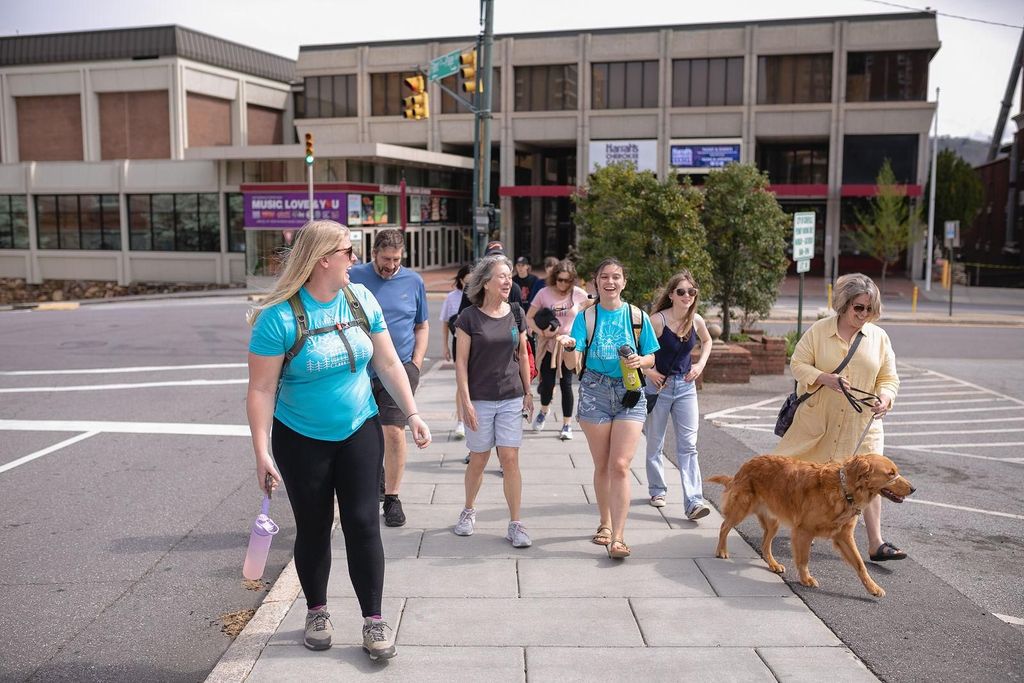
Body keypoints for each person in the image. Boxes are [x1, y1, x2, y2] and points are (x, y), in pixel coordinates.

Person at [245, 220, 431, 661]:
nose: (357, 259)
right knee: (313, 528)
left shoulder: (360, 299)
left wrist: (413, 413)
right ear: (323, 259)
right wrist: (261, 451)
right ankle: (317, 610)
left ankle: (373, 620)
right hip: (301, 438)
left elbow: (388, 363)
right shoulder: (278, 317)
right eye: (350, 251)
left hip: (359, 430)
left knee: (364, 523)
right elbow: (261, 390)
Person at [773, 272, 902, 562]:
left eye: (870, 309)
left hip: (862, 425)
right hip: (820, 421)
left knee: (871, 479)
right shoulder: (820, 331)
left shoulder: (878, 337)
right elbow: (798, 364)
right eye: (859, 307)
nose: (864, 314)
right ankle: (801, 521)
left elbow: (889, 377)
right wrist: (823, 378)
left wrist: (886, 398)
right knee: (795, 472)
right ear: (844, 305)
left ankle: (875, 543)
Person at [556, 258, 659, 559]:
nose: (610, 282)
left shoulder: (637, 316)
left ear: (624, 282)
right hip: (595, 391)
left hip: (629, 391)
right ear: (596, 282)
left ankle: (619, 537)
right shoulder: (586, 317)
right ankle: (605, 522)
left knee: (621, 465)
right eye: (604, 277)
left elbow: (651, 356)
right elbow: (572, 362)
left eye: (616, 277)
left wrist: (641, 362)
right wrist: (570, 348)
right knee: (602, 465)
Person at [452, 255, 535, 547]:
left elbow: (523, 354)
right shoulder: (468, 318)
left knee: (510, 459)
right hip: (480, 399)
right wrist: (466, 402)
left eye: (509, 275)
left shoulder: (516, 312)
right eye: (501, 276)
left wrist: (528, 391)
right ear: (485, 282)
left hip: (512, 397)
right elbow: (461, 364)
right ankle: (468, 510)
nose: (507, 280)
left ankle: (516, 523)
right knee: (479, 458)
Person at [349, 229, 429, 528]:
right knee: (365, 434)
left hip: (400, 369)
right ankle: (371, 485)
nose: (391, 265)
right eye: (386, 259)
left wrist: (416, 364)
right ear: (374, 254)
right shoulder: (353, 277)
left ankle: (393, 498)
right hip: (359, 370)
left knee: (394, 430)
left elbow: (422, 325)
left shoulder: (413, 281)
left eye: (396, 259)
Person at [642, 270, 713, 520]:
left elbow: (707, 342)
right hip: (658, 389)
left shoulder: (697, 320)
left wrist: (700, 365)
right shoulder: (657, 321)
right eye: (681, 291)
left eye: (691, 292)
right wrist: (649, 372)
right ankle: (657, 489)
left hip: (685, 388)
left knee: (689, 445)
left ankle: (694, 501)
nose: (687, 296)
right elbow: (637, 354)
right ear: (671, 295)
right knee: (655, 442)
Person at [526, 259, 590, 440]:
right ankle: (544, 411)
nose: (563, 284)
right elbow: (529, 317)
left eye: (567, 280)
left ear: (573, 280)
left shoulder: (578, 294)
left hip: (569, 345)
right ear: (554, 278)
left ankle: (567, 424)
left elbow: (592, 309)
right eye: (560, 279)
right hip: (549, 345)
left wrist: (582, 333)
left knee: (567, 384)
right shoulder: (544, 293)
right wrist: (541, 332)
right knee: (546, 384)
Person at [439, 264, 472, 440]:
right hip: (459, 343)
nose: (470, 285)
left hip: (477, 345)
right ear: (461, 280)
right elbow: (445, 323)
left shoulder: (480, 294)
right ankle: (460, 421)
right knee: (462, 383)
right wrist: (444, 346)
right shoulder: (452, 298)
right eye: (467, 281)